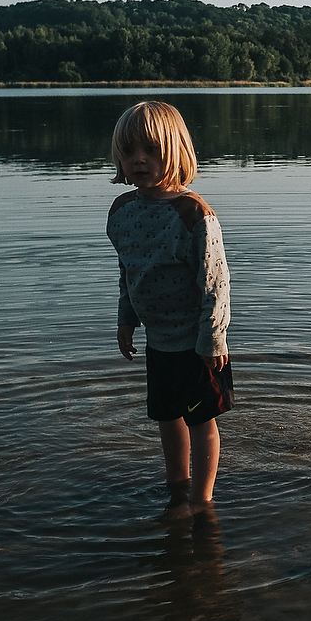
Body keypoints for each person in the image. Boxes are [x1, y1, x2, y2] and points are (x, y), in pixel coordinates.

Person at [107, 101, 232, 519]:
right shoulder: (122, 212)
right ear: (119, 159)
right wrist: (126, 317)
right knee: (166, 416)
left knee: (200, 422)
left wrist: (213, 339)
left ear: (176, 153)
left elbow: (215, 282)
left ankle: (201, 500)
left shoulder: (194, 214)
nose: (139, 160)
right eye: (130, 152)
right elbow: (128, 270)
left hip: (197, 342)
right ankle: (176, 485)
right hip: (158, 340)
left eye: (152, 151)